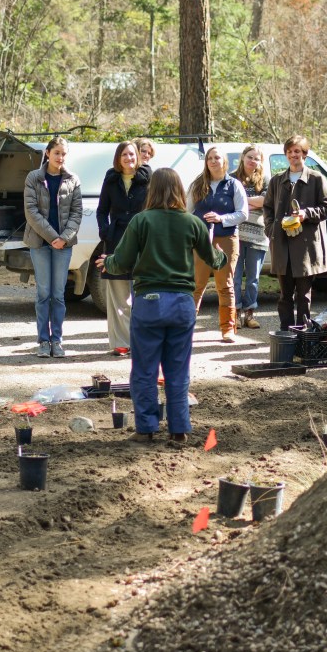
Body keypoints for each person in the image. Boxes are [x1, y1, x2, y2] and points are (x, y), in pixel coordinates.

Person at [97, 168, 226, 443]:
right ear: (179, 190)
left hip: (149, 303)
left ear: (152, 190)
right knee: (177, 371)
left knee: (144, 370)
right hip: (182, 304)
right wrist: (223, 254)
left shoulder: (141, 221)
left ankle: (146, 429)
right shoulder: (193, 223)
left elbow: (121, 261)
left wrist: (107, 262)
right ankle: (179, 431)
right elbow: (214, 261)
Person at [262, 135, 327, 330]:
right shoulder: (277, 181)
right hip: (282, 246)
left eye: (298, 152)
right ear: (286, 155)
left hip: (306, 247)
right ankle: (286, 333)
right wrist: (270, 229)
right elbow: (267, 208)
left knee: (304, 295)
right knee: (285, 295)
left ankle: (303, 333)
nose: (294, 155)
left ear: (305, 154)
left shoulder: (317, 179)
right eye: (290, 152)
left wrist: (306, 214)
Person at [23, 136, 83, 358]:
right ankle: (43, 341)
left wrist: (64, 238)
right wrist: (51, 237)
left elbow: (77, 213)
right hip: (40, 243)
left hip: (63, 245)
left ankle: (57, 340)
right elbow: (31, 212)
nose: (60, 157)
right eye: (56, 152)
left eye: (64, 153)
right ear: (47, 153)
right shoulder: (34, 178)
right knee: (43, 294)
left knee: (58, 295)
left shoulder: (72, 179)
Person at [96, 141, 151, 356]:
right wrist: (105, 230)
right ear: (118, 159)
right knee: (118, 296)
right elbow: (102, 210)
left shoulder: (148, 179)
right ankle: (120, 342)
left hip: (142, 242)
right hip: (116, 242)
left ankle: (141, 342)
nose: (129, 158)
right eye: (124, 155)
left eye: (132, 154)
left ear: (138, 156)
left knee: (142, 295)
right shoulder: (111, 180)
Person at [187, 146, 247, 342]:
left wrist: (221, 218)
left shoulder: (234, 185)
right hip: (201, 240)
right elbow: (187, 212)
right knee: (197, 284)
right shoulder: (197, 184)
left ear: (224, 162)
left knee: (225, 285)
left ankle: (228, 329)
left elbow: (243, 213)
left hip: (226, 239)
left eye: (217, 158)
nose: (213, 161)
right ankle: (186, 327)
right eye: (210, 158)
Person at [231, 145, 270, 329]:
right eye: (250, 157)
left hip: (258, 236)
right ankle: (236, 314)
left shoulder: (266, 180)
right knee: (235, 278)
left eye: (257, 158)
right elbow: (229, 202)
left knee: (253, 279)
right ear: (243, 157)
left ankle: (250, 314)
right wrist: (251, 203)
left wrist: (242, 203)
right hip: (235, 235)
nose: (253, 160)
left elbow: (265, 202)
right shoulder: (231, 178)